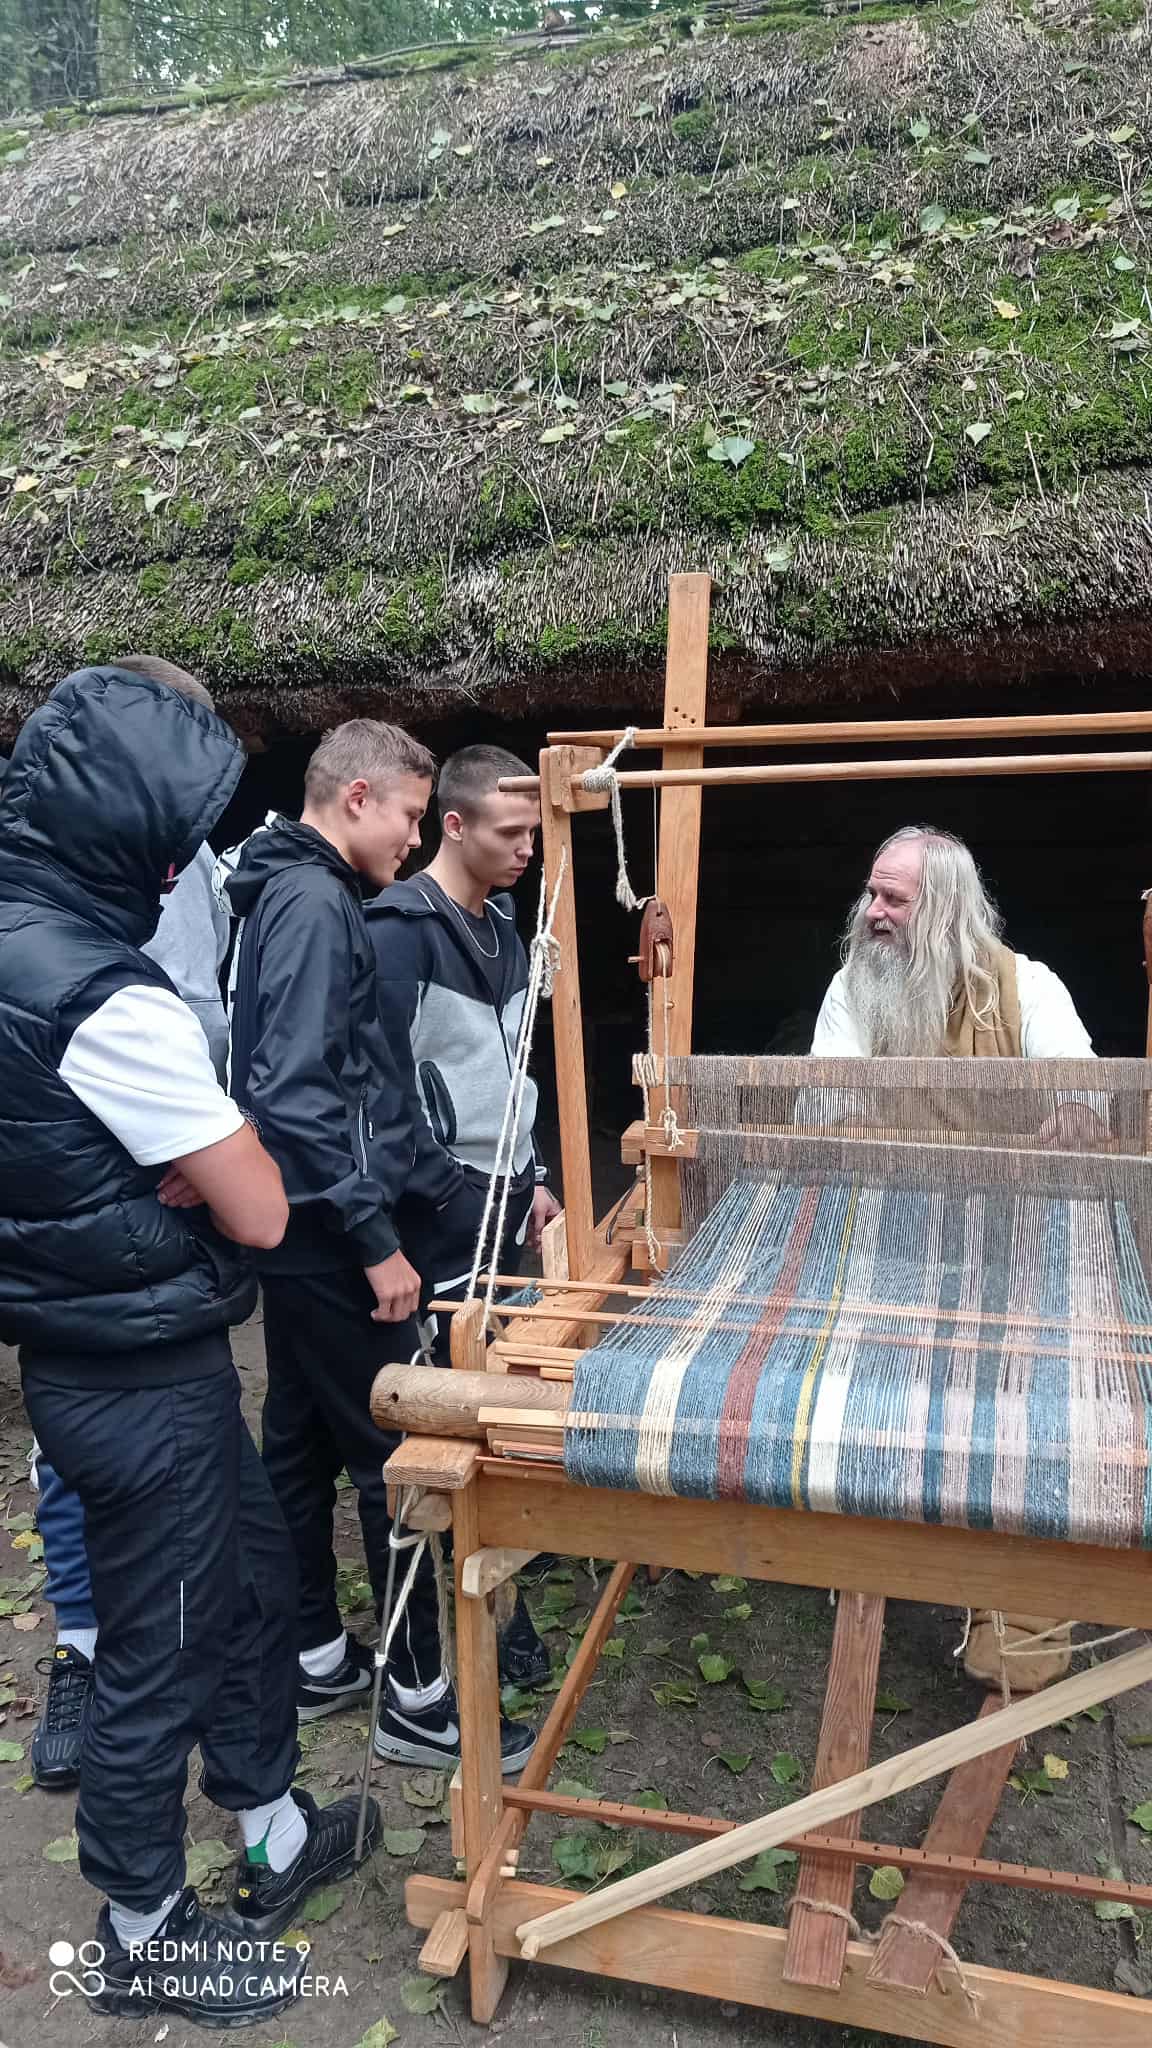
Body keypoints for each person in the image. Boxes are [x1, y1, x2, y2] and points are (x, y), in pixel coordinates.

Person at [0, 658, 379, 2030]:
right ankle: (140, 1925)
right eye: (175, 839)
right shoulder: (110, 999)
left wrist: (167, 1159)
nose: (183, 869)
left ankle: (271, 1822)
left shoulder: (18, 934)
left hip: (94, 1350)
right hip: (140, 1369)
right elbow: (263, 1208)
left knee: (251, 1579)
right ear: (134, 837)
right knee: (158, 1646)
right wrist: (217, 1146)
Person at [226, 721, 535, 1774]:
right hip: (326, 1231)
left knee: (298, 1437)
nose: (412, 836)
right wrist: (372, 1236)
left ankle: (314, 1651)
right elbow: (300, 1091)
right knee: (395, 1455)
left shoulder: (291, 889)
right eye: (408, 814)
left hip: (301, 1224)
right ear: (357, 797)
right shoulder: (321, 904)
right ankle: (416, 1696)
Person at [813, 824, 1090, 1690]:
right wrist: (842, 1115)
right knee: (879, 1409)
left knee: (1016, 1426)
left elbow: (1081, 1078)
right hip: (894, 1242)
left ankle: (1013, 1629)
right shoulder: (855, 987)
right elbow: (824, 1089)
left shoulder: (1026, 987)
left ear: (945, 910)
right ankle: (879, 1563)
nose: (873, 911)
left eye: (894, 898)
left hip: (1009, 1249)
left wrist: (1073, 1109)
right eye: (872, 893)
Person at [29, 804, 232, 1791]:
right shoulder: (45, 868)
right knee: (72, 1436)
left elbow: (217, 993)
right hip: (69, 1176)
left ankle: (204, 1677)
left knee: (185, 1454)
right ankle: (81, 1644)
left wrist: (215, 1125)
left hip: (180, 1153)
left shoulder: (196, 860)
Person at [370, 745, 562, 1687]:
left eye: (534, 833)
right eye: (511, 832)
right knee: (452, 1406)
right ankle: (479, 1604)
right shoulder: (399, 932)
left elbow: (517, 1061)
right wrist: (447, 1189)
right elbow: (382, 1090)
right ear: (453, 825)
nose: (528, 849)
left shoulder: (508, 927)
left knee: (507, 1386)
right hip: (445, 1209)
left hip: (508, 1195)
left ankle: (507, 1565)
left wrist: (535, 1171)